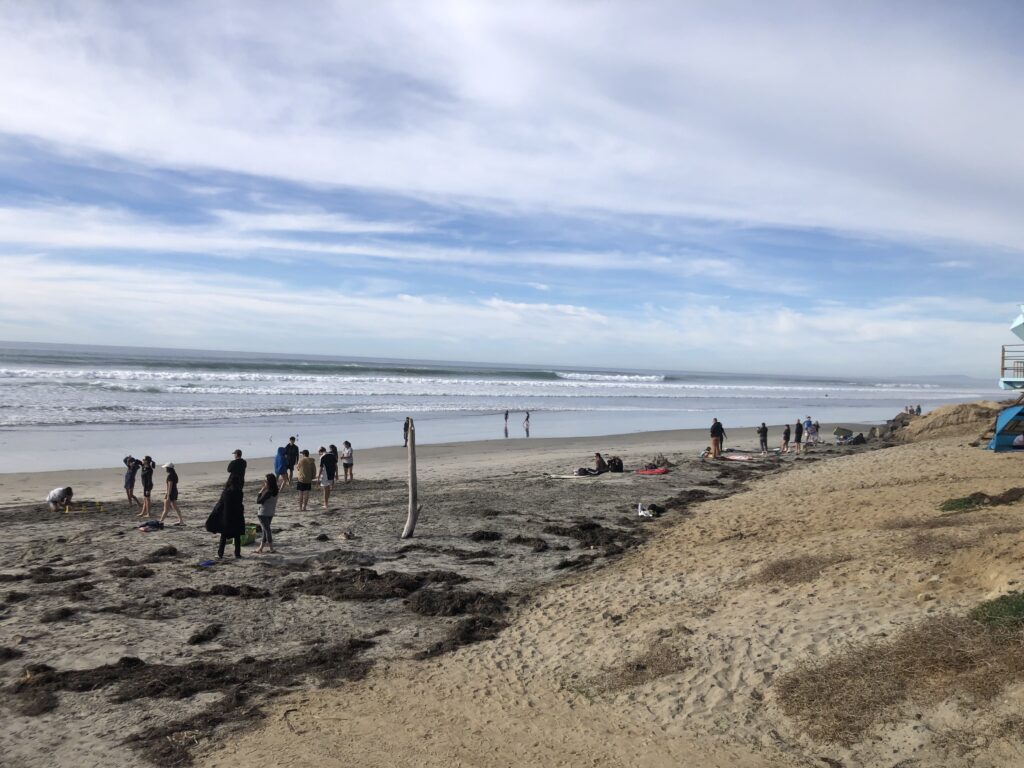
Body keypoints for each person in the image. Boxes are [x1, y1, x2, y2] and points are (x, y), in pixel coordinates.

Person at [212, 474, 245, 559]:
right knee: (237, 536)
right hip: (237, 516)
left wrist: (215, 512)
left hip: (227, 516)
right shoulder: (240, 492)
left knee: (223, 536)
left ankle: (220, 554)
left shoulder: (226, 492)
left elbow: (220, 504)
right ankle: (237, 554)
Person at [255, 473, 278, 554]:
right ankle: (261, 548)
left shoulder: (268, 492)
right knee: (265, 530)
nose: (265, 482)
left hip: (263, 513)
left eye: (266, 481)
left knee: (267, 530)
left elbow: (258, 501)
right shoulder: (276, 490)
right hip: (270, 513)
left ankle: (271, 548)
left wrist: (261, 490)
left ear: (268, 482)